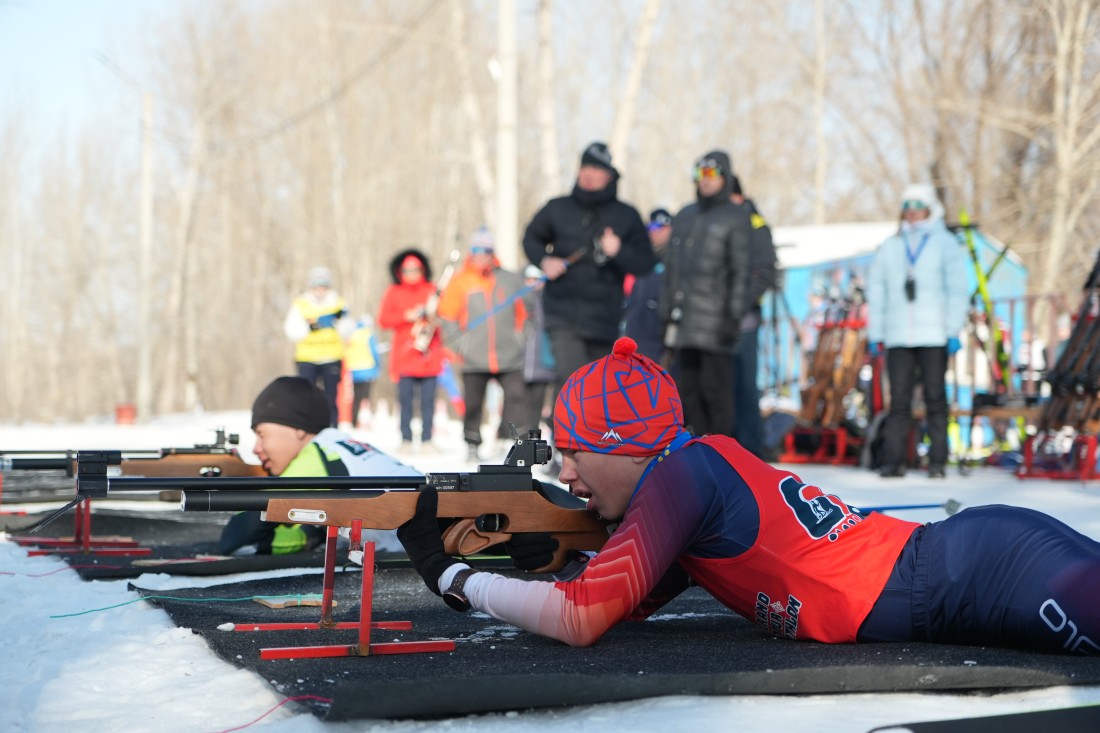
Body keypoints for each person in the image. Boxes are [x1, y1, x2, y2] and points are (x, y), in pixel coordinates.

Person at [396, 336, 1100, 654]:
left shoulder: (681, 477)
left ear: (624, 445)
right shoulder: (689, 472)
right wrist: (546, 558)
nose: (569, 473)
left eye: (575, 451)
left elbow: (580, 619)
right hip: (964, 569)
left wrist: (455, 577)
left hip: (973, 574)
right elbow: (617, 602)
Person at [218, 376, 421, 556]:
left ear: (298, 428)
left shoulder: (316, 458)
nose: (256, 448)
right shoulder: (336, 446)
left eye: (262, 434)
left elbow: (237, 540)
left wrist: (306, 537)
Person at [522, 141, 655, 406]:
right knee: (572, 381)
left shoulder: (626, 215)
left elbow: (645, 262)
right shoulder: (557, 207)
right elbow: (530, 238)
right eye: (585, 167)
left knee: (598, 389)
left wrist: (619, 250)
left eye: (596, 168)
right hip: (562, 313)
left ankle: (585, 432)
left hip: (605, 319)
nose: (588, 173)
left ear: (609, 175)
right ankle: (565, 431)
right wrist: (545, 261)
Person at [867, 184, 968, 479]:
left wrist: (952, 329)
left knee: (935, 398)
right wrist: (876, 333)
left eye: (917, 206)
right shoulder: (891, 246)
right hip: (898, 335)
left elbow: (957, 289)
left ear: (929, 209)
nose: (911, 212)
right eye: (907, 206)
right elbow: (877, 291)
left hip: (934, 335)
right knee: (899, 401)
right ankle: (894, 461)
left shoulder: (944, 243)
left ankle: (938, 461)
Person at [659, 150, 751, 436]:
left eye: (713, 173)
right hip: (685, 323)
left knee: (716, 393)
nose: (706, 180)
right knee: (687, 392)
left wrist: (732, 317)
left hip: (716, 324)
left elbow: (740, 271)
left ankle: (721, 452)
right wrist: (666, 307)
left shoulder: (736, 216)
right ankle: (697, 448)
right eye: (701, 173)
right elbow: (671, 267)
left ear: (725, 177)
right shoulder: (685, 215)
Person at [437, 227, 529, 462]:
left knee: (516, 398)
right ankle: (472, 443)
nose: (481, 255)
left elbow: (526, 313)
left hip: (509, 354)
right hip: (474, 357)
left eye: (486, 250)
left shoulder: (509, 279)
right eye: (477, 250)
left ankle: (507, 439)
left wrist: (521, 338)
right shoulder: (460, 281)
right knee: (473, 404)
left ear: (492, 252)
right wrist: (461, 346)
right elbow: (447, 316)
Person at [729, 175, 778, 459]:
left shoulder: (755, 225)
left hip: (744, 320)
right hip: (716, 321)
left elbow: (765, 272)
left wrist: (739, 304)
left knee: (745, 385)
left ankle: (750, 449)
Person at [377, 249, 445, 451]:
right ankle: (406, 438)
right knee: (405, 400)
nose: (412, 274)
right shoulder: (394, 292)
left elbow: (446, 314)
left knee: (428, 401)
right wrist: (405, 316)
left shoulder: (433, 290)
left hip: (429, 355)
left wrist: (433, 318)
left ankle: (427, 439)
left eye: (416, 270)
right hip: (404, 356)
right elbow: (383, 320)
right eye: (407, 270)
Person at [283, 266, 351, 427]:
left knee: (331, 398)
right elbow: (291, 330)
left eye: (324, 285)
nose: (320, 289)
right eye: (317, 285)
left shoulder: (339, 303)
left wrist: (338, 322)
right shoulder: (301, 304)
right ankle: (306, 429)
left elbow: (349, 330)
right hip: (307, 358)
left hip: (331, 357)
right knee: (306, 397)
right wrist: (311, 326)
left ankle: (331, 429)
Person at [622, 208, 672, 362]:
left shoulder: (675, 260)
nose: (653, 232)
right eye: (650, 227)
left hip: (659, 335)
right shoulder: (642, 258)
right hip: (637, 332)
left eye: (659, 227)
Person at [521, 264, 556, 437]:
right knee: (521, 402)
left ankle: (536, 438)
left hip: (544, 360)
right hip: (521, 362)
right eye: (530, 280)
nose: (534, 284)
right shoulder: (519, 300)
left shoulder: (550, 300)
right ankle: (519, 437)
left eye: (538, 279)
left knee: (540, 402)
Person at [344, 314, 382, 429]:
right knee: (367, 398)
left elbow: (348, 352)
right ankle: (366, 422)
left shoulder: (353, 335)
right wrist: (378, 366)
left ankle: (354, 422)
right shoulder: (368, 335)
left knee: (356, 398)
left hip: (355, 371)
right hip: (368, 370)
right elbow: (374, 352)